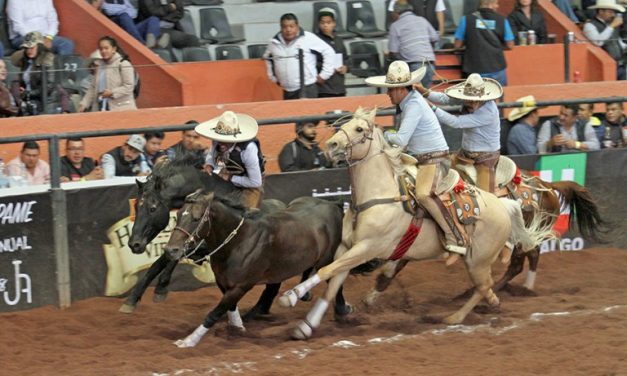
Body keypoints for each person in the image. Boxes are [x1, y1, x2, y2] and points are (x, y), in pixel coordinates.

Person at [365, 61, 466, 265]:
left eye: (391, 90)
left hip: (435, 160)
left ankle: (456, 237)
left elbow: (401, 140)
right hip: (422, 159)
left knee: (423, 194)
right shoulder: (410, 103)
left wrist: (382, 133)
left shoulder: (413, 105)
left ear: (401, 89)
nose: (388, 94)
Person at [418, 73, 503, 192]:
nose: (471, 103)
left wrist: (431, 108)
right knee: (445, 176)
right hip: (464, 153)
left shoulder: (489, 112)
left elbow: (456, 122)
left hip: (486, 158)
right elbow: (445, 99)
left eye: (474, 100)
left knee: (487, 196)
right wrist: (425, 92)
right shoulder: (467, 97)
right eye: (469, 99)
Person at [197, 111, 264, 208]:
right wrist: (209, 164)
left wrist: (230, 178)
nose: (220, 143)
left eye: (226, 140)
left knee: (246, 214)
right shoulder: (217, 141)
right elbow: (212, 155)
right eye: (219, 139)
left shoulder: (248, 149)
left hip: (249, 182)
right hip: (223, 169)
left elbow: (255, 182)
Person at [263, 13, 335, 99]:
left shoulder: (308, 38)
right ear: (281, 27)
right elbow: (267, 58)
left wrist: (325, 75)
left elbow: (329, 52)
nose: (288, 29)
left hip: (307, 88)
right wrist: (273, 77)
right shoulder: (273, 42)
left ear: (297, 26)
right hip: (286, 90)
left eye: (291, 26)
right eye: (284, 27)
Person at [453, 0, 515, 86]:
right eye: (496, 3)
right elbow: (510, 45)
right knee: (498, 96)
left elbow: (457, 45)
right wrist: (496, 46)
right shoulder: (502, 20)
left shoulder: (466, 19)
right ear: (490, 4)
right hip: (497, 67)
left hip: (474, 68)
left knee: (477, 97)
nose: (497, 6)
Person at [388, 0, 439, 88]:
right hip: (429, 64)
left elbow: (393, 51)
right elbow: (435, 37)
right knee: (424, 94)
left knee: (412, 96)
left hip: (413, 66)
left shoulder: (395, 26)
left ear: (396, 12)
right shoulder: (422, 20)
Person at [79, 36, 137, 112]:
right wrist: (84, 104)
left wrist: (112, 93)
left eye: (106, 48)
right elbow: (93, 87)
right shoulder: (99, 65)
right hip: (102, 107)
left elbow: (129, 86)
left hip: (122, 108)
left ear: (114, 49)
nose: (103, 51)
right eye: (101, 49)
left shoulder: (123, 63)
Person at [10, 31, 57, 116]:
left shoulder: (48, 59)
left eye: (32, 47)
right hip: (30, 101)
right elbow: (14, 60)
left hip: (46, 103)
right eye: (26, 48)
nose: (29, 50)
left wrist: (29, 93)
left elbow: (49, 87)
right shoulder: (26, 61)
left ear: (39, 46)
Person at [6, 0, 75, 56]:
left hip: (45, 36)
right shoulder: (14, 1)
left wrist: (49, 37)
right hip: (23, 37)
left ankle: (60, 72)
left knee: (66, 44)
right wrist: (36, 40)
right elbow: (18, 26)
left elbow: (53, 21)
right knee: (37, 47)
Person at [96, 0, 169, 48]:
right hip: (114, 27)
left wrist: (119, 9)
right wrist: (124, 9)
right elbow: (108, 10)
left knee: (153, 19)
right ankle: (142, 45)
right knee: (124, 15)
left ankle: (152, 42)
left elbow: (134, 13)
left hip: (129, 28)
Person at [583, 0, 626, 80]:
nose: (613, 15)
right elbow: (598, 42)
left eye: (613, 12)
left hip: (620, 65)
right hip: (605, 67)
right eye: (610, 12)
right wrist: (612, 26)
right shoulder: (590, 25)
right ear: (601, 11)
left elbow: (618, 42)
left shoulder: (611, 25)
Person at [315, 8, 348, 98]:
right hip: (323, 88)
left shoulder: (339, 40)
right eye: (322, 23)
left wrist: (346, 67)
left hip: (340, 87)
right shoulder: (315, 41)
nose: (325, 25)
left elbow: (346, 58)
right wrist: (328, 68)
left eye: (328, 22)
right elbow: (312, 63)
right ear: (319, 24)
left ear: (334, 23)